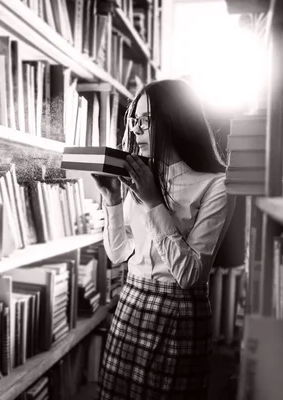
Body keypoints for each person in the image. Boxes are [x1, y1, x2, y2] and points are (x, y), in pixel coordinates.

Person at [92, 79, 232, 399]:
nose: (137, 130)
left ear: (175, 120)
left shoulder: (216, 185)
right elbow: (117, 255)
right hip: (131, 301)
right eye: (134, 120)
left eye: (146, 121)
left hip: (179, 313)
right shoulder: (142, 177)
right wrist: (113, 199)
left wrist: (154, 203)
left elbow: (190, 275)